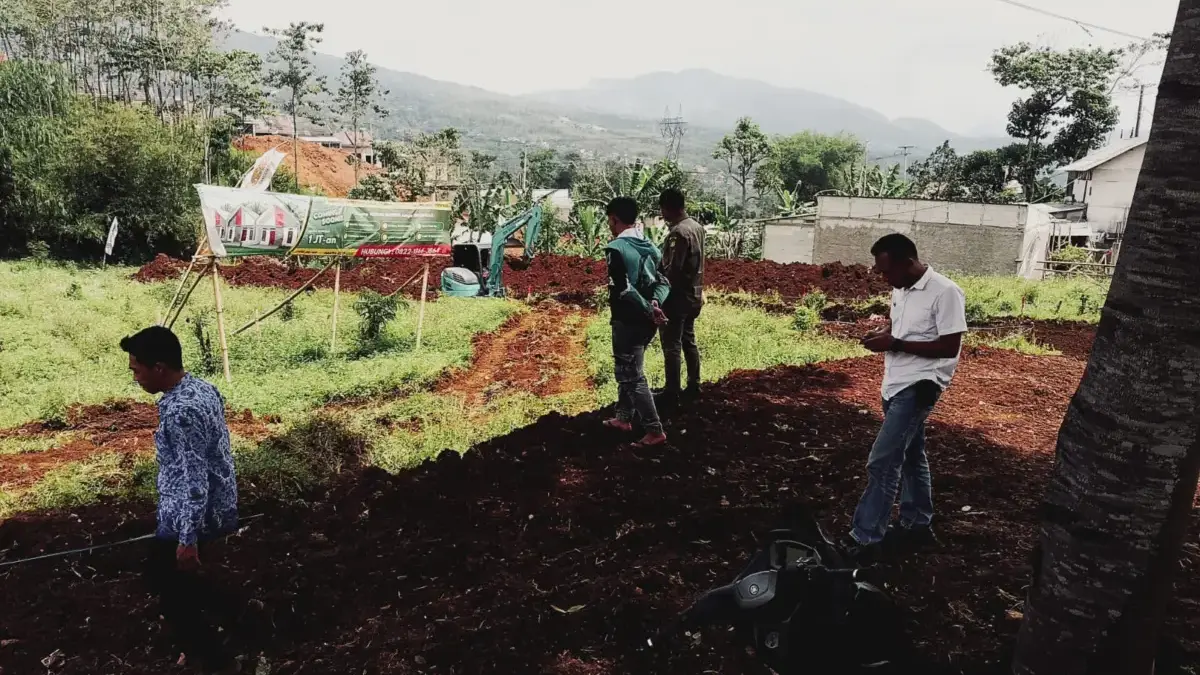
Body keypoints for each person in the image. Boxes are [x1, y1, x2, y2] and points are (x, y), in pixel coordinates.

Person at [120, 326, 239, 673]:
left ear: (159, 368)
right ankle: (234, 617)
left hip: (190, 514)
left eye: (137, 371)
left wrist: (187, 539)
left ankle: (214, 658)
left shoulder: (180, 412)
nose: (135, 378)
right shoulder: (202, 388)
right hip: (216, 503)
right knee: (177, 579)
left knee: (169, 590)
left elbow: (194, 478)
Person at [846, 234, 966, 562]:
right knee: (912, 456)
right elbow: (903, 332)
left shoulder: (945, 292)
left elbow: (948, 346)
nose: (883, 277)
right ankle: (917, 522)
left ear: (907, 262)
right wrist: (885, 336)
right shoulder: (900, 290)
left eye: (886, 271)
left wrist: (895, 344)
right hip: (894, 383)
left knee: (882, 461)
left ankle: (866, 537)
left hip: (920, 387)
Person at [602, 196, 671, 448]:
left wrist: (646, 308)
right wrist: (654, 304)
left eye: (610, 220)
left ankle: (654, 430)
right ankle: (623, 418)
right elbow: (663, 282)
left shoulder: (616, 249)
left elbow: (623, 289)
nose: (609, 225)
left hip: (627, 319)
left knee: (631, 375)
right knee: (632, 366)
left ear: (614, 218)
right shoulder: (651, 247)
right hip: (647, 322)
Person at [656, 188, 706, 411]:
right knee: (688, 340)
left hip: (677, 298)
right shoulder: (697, 227)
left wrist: (659, 293)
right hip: (694, 295)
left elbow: (673, 270)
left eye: (662, 209)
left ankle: (672, 391)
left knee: (672, 345)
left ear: (668, 207)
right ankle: (694, 384)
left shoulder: (678, 233)